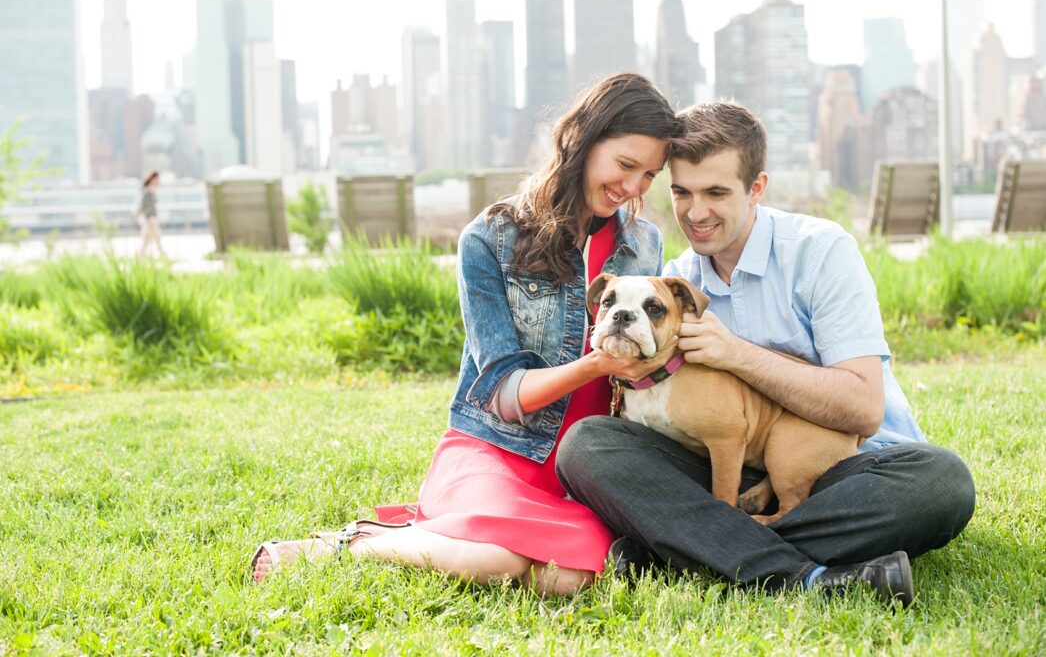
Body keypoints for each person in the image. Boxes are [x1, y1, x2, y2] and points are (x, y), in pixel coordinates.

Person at [250, 73, 683, 595]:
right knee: (496, 563)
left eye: (649, 176)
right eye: (626, 166)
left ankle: (439, 537)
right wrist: (595, 365)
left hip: (585, 463)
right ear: (584, 141)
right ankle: (353, 543)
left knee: (570, 579)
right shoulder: (489, 238)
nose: (633, 189)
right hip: (496, 449)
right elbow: (502, 394)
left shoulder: (643, 244)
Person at [555, 101, 976, 606]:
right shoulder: (672, 285)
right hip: (723, 467)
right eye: (682, 192)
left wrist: (736, 354)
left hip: (848, 471)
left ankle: (689, 549)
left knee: (941, 482)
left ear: (756, 188)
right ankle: (805, 574)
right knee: (587, 446)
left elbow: (864, 410)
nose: (696, 212)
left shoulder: (820, 251)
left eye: (716, 192)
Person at [137, 171, 166, 259]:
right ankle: (162, 255)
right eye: (157, 179)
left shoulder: (151, 191)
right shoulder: (147, 192)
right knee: (152, 237)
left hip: (152, 218)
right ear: (152, 179)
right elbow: (143, 206)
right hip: (149, 219)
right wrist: (148, 218)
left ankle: (142, 256)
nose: (158, 181)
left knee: (150, 238)